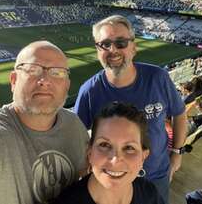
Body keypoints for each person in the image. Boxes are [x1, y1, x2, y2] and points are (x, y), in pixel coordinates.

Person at [0, 41, 89, 204]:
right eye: (32, 70)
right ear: (14, 80)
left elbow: (84, 172)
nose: (44, 80)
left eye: (57, 73)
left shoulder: (73, 124)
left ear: (67, 86)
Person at [74, 15, 187, 203]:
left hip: (156, 175)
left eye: (121, 43)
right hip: (112, 180)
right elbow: (75, 136)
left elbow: (179, 113)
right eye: (105, 44)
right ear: (97, 50)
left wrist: (177, 153)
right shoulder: (89, 91)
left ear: (133, 47)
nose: (113, 50)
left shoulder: (158, 78)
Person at [55, 102, 165, 204]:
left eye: (129, 147)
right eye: (104, 145)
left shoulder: (150, 194)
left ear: (143, 157)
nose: (115, 159)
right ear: (89, 152)